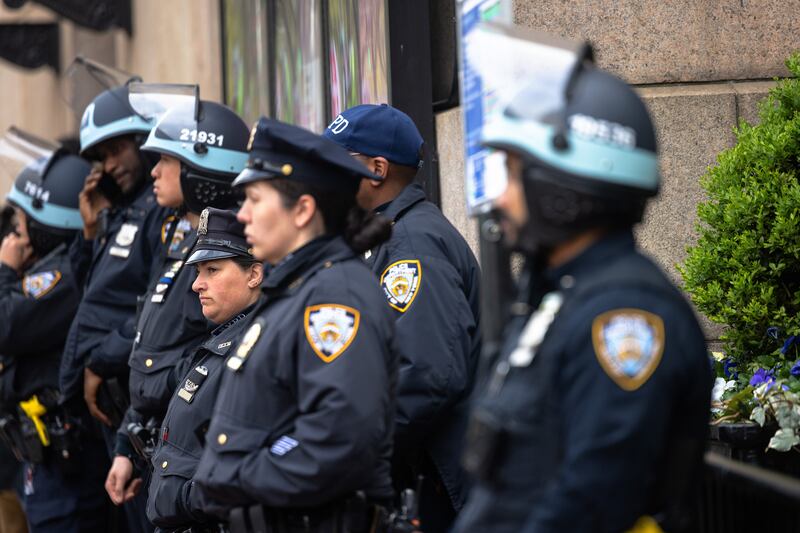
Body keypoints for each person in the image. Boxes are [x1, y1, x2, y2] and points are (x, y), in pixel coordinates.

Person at [452, 26, 712, 533]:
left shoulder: (623, 317)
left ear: (562, 187)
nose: (499, 198)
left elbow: (589, 504)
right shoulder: (561, 296)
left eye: (512, 172)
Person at [193, 118, 398, 533]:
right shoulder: (296, 288)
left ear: (303, 210)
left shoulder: (334, 296)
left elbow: (337, 440)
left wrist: (235, 475)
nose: (243, 215)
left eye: (254, 199)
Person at [323, 104, 481, 531]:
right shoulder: (386, 235)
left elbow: (425, 375)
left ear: (377, 169)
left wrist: (350, 458)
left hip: (433, 480)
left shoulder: (411, 242)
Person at [104, 92, 251, 511]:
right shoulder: (179, 238)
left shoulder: (235, 251)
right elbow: (151, 347)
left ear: (200, 166)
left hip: (195, 460)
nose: (154, 171)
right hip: (157, 447)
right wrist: (125, 443)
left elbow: (209, 359)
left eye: (166, 160)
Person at [59, 83, 169, 533]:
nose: (108, 165)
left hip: (135, 401)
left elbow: (159, 306)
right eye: (101, 157)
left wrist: (100, 360)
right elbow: (93, 297)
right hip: (117, 415)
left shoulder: (161, 211)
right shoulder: (125, 210)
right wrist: (91, 233)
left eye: (117, 150)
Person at [0, 130, 112, 532]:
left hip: (69, 462)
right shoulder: (54, 264)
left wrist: (6, 271)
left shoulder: (64, 272)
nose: (17, 232)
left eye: (24, 221)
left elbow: (4, 324)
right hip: (41, 452)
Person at [145, 207, 263, 531]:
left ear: (254, 274)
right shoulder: (223, 337)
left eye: (212, 270)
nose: (197, 284)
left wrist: (190, 498)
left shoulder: (257, 347)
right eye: (198, 271)